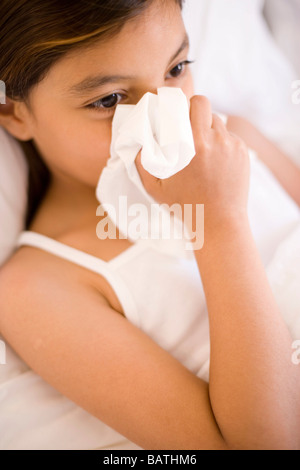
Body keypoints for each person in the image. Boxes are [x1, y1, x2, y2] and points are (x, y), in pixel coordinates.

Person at [0, 0, 299, 450]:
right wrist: (218, 222)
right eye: (110, 100)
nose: (166, 116)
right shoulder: (38, 286)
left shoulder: (234, 141)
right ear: (13, 114)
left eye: (176, 68)